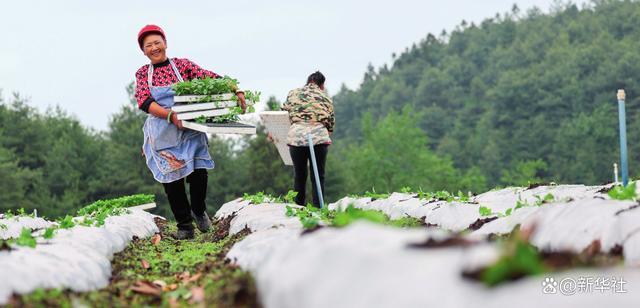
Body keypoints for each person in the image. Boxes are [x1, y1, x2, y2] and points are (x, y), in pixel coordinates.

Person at [134, 25, 246, 239]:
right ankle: (185, 226)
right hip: (162, 130)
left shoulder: (182, 65)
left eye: (157, 42)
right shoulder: (143, 74)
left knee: (199, 173)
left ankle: (198, 209)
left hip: (190, 128)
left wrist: (236, 88)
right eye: (149, 45)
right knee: (172, 182)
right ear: (144, 51)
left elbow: (210, 78)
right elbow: (144, 101)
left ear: (165, 43)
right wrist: (169, 115)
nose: (154, 47)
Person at [281, 71, 335, 207]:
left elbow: (283, 113)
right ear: (322, 85)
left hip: (296, 138)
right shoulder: (326, 97)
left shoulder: (293, 93)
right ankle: (319, 209)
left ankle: (298, 208)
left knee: (299, 175)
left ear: (307, 82)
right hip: (319, 138)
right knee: (318, 176)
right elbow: (330, 124)